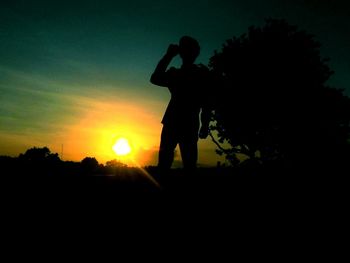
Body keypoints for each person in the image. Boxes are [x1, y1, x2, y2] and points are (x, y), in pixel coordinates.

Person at [150, 36, 211, 172]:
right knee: (187, 164)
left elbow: (155, 78)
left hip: (175, 122)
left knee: (170, 163)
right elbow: (206, 103)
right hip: (187, 123)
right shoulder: (201, 74)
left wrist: (168, 55)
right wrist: (205, 124)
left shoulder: (178, 74)